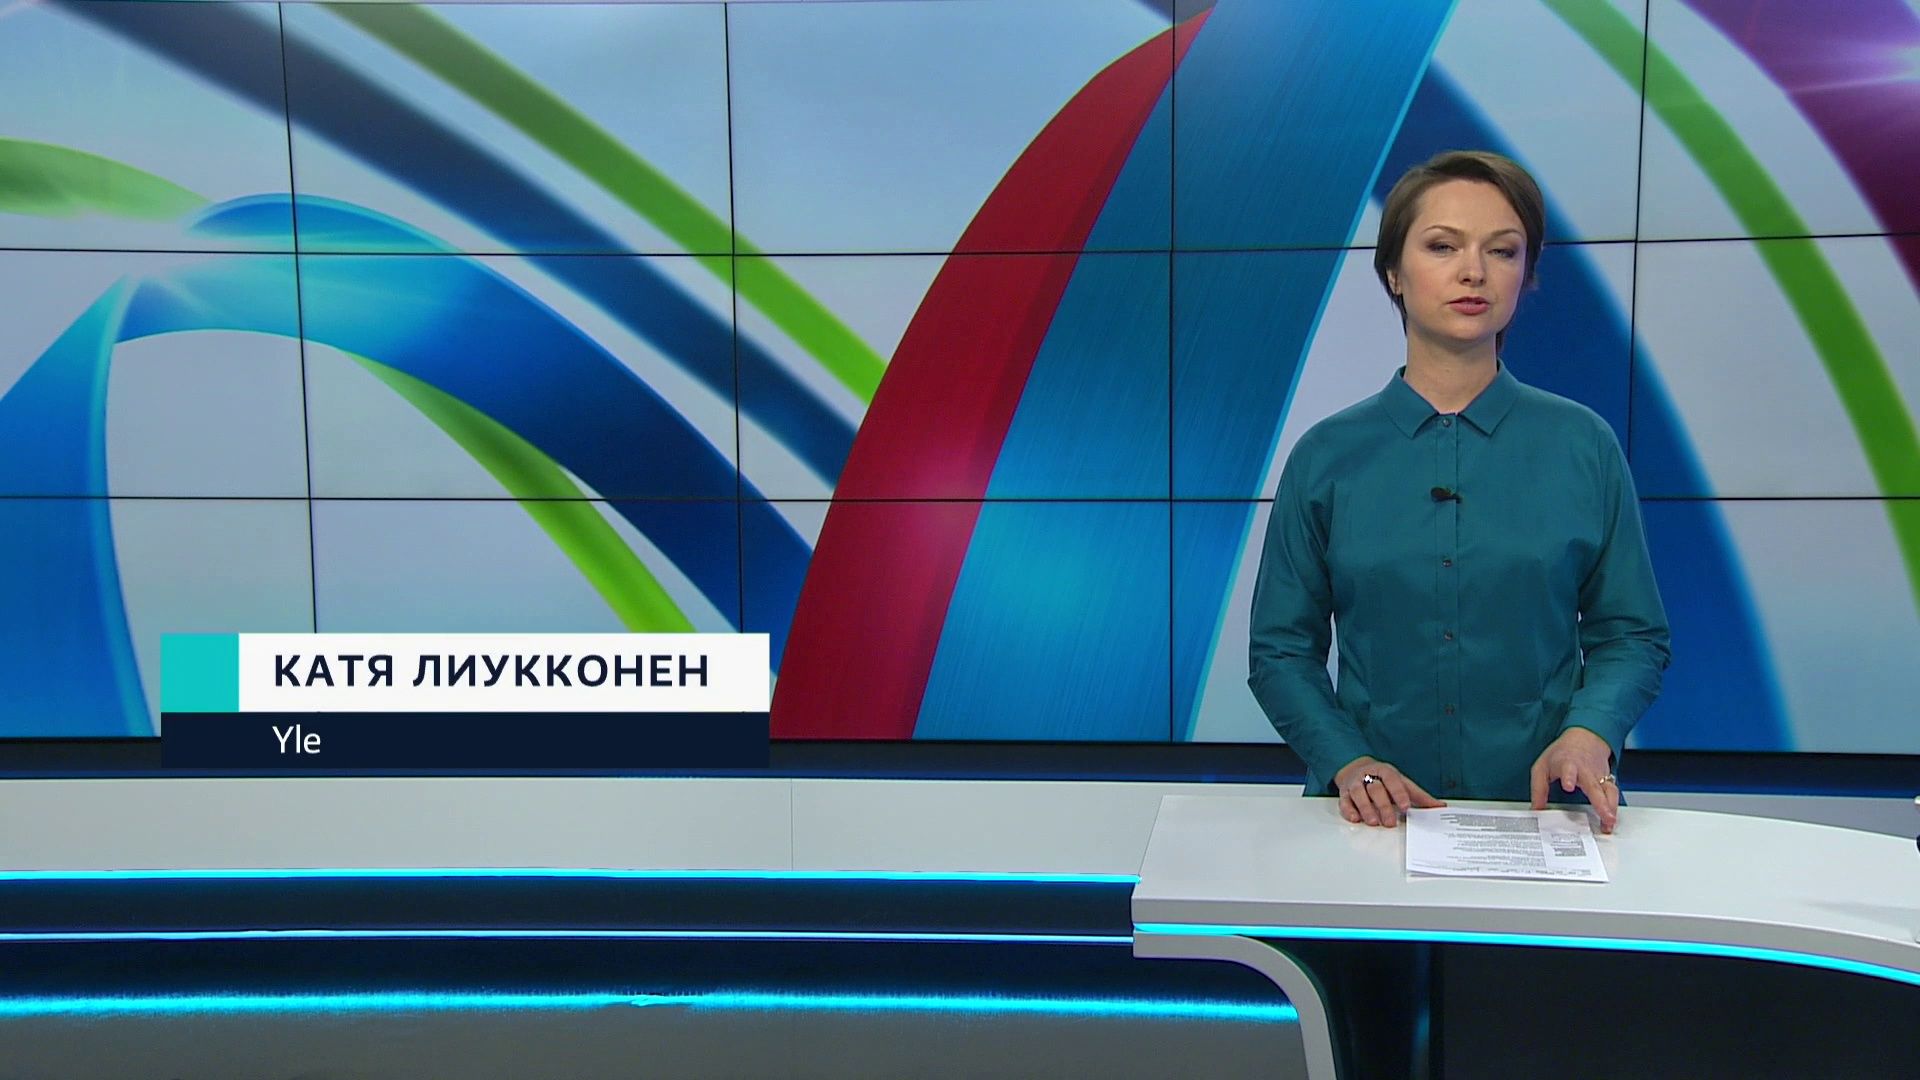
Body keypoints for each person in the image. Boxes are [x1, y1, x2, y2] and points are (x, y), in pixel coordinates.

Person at [1247, 150, 1670, 833]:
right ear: (1394, 271)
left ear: (1526, 275)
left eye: (1502, 251)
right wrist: (1348, 762)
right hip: (1371, 821)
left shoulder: (1582, 445)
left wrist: (1590, 732)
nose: (1474, 271)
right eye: (1443, 246)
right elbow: (1280, 652)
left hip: (1545, 818)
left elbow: (1633, 635)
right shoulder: (1327, 456)